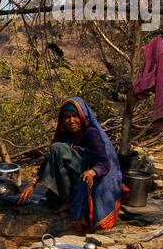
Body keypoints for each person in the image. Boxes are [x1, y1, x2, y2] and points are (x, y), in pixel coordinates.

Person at [17, 97, 125, 231]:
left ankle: (72, 203)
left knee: (57, 148)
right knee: (56, 149)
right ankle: (66, 199)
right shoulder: (65, 136)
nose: (71, 121)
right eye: (67, 117)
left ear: (82, 117)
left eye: (75, 116)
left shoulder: (91, 134)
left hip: (88, 180)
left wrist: (92, 172)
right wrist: (32, 183)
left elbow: (103, 163)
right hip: (72, 178)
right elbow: (48, 161)